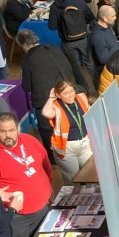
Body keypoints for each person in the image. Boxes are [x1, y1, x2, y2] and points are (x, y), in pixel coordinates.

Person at [0, 113, 53, 237]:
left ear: (18, 128)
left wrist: (49, 188)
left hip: (43, 207)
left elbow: (45, 164)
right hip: (18, 217)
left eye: (11, 130)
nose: (8, 135)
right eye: (3, 131)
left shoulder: (30, 140)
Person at [18, 29, 78, 158]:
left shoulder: (28, 59)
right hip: (64, 94)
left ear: (24, 45)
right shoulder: (54, 49)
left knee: (47, 131)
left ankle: (53, 158)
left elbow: (27, 86)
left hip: (44, 100)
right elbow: (68, 68)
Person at [41, 80, 92, 182]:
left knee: (89, 175)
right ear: (58, 95)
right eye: (66, 93)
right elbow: (46, 113)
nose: (70, 95)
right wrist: (51, 97)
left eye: (72, 91)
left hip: (85, 144)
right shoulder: (55, 105)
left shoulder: (81, 97)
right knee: (73, 180)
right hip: (67, 149)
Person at [48, 0, 95, 85]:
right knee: (90, 63)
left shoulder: (55, 6)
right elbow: (91, 18)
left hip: (67, 42)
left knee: (75, 67)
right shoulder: (80, 1)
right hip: (83, 38)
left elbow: (52, 26)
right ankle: (99, 87)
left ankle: (84, 91)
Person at [89, 5, 119, 83]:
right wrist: (116, 48)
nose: (115, 18)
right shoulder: (97, 37)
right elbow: (103, 59)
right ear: (105, 19)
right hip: (105, 76)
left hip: (114, 68)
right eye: (113, 16)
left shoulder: (108, 26)